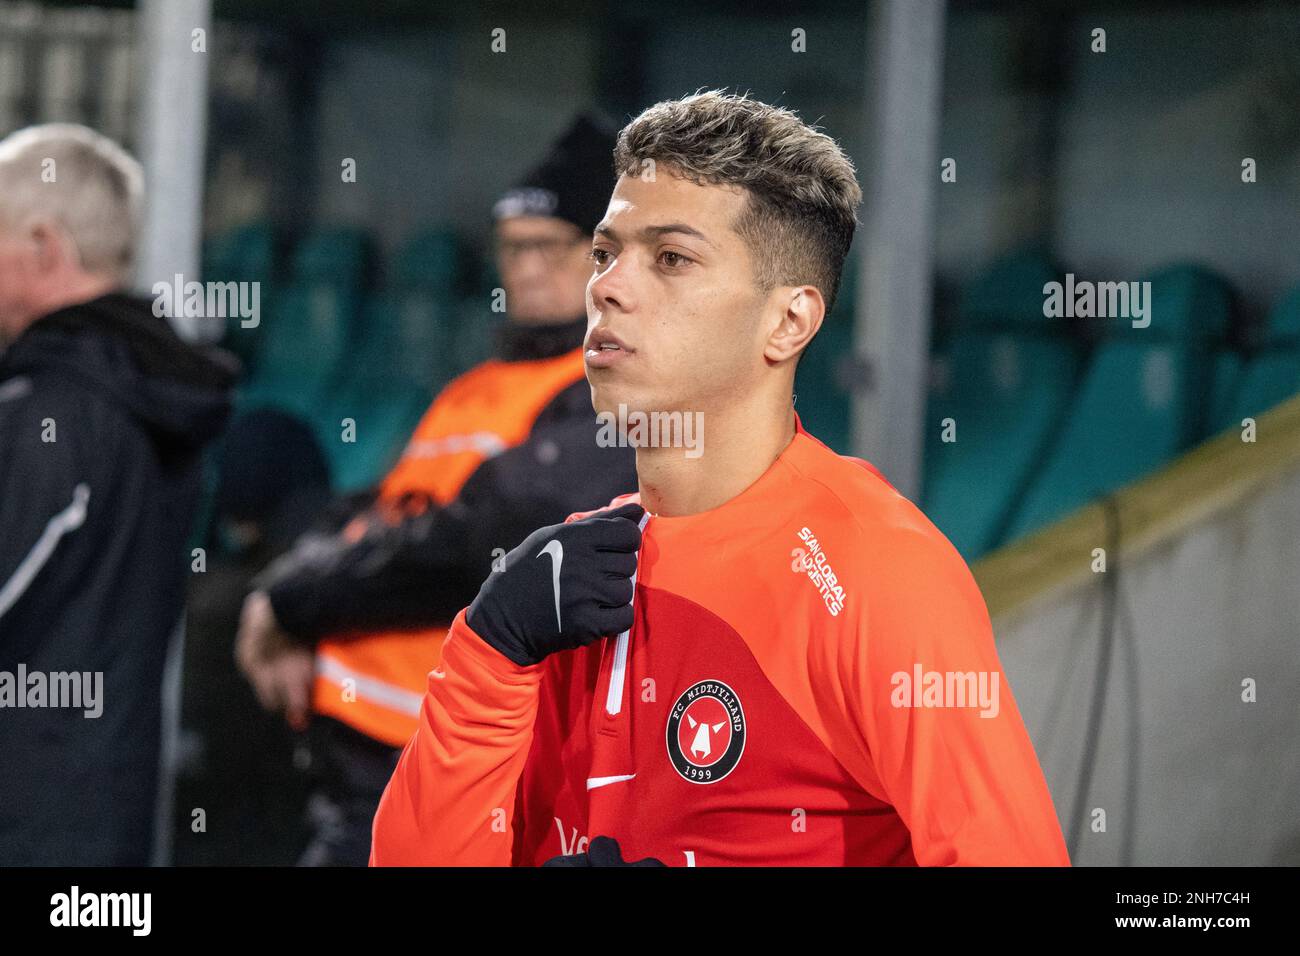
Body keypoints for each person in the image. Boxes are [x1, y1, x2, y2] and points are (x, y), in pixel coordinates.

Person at [370, 91, 1071, 866]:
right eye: (606, 252)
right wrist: (487, 654)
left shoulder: (878, 570)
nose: (607, 287)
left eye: (671, 258)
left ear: (789, 322)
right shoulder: (568, 581)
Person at [234, 113, 637, 865]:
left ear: (603, 256)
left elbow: (473, 539)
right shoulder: (478, 386)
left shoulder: (603, 392)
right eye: (512, 249)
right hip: (361, 749)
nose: (524, 269)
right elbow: (388, 507)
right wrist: (281, 589)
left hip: (453, 756)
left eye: (548, 247)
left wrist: (293, 601)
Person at [0, 124, 236, 865]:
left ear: (44, 247)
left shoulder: (61, 408)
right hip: (93, 813)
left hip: (37, 825)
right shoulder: (136, 389)